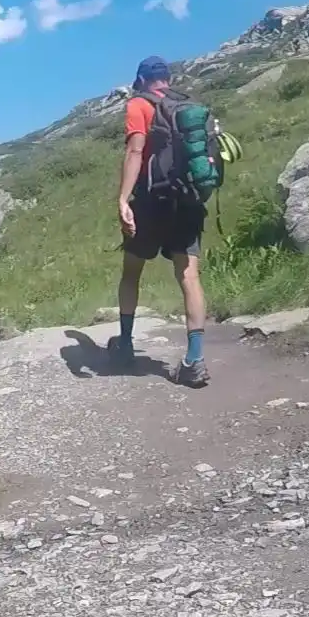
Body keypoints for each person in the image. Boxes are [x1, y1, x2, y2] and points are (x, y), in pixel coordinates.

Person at [112, 55, 210, 387]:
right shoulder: (186, 106)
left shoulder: (138, 105)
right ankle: (194, 360)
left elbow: (135, 151)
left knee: (131, 271)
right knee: (188, 275)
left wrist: (124, 199)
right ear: (167, 79)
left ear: (140, 79)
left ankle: (125, 345)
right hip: (189, 200)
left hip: (152, 203)